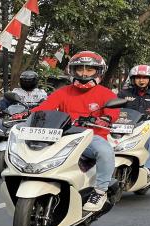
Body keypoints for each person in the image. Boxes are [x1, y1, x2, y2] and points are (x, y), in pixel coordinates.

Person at [32, 51, 120, 212]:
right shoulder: (63, 91)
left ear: (98, 72)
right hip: (63, 136)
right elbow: (44, 108)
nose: (84, 73)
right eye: (80, 69)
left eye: (89, 70)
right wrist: (27, 114)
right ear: (72, 70)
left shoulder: (105, 93)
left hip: (91, 137)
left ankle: (100, 191)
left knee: (105, 151)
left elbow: (113, 112)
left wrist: (106, 118)